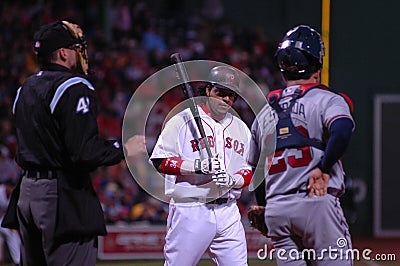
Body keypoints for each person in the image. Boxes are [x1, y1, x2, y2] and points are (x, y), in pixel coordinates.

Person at [4, 20, 126, 266]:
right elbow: (84, 153)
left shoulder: (25, 88)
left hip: (27, 192)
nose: (81, 53)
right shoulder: (74, 87)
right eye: (75, 47)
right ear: (62, 53)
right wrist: (122, 148)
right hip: (60, 196)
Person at [248, 25, 355, 265]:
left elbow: (257, 171)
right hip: (315, 203)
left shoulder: (263, 113)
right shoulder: (327, 99)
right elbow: (342, 131)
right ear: (317, 63)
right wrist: (324, 168)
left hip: (277, 210)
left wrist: (264, 205)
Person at [150, 65, 252, 265]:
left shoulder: (241, 127)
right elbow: (159, 161)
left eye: (231, 95)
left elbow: (248, 168)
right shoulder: (181, 120)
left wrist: (235, 180)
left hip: (229, 211)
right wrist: (196, 166)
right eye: (220, 93)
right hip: (191, 208)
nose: (226, 99)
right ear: (207, 91)